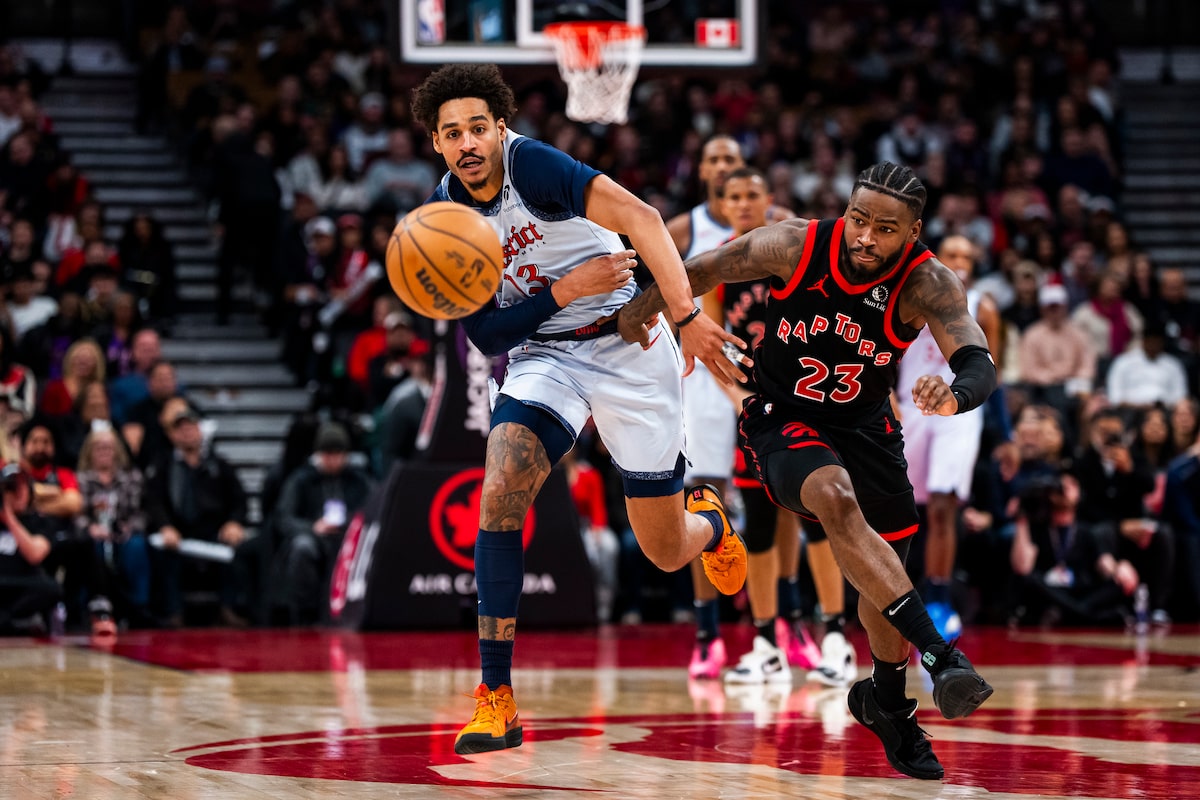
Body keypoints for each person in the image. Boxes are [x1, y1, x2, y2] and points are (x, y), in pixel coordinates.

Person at [410, 64, 747, 756]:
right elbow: (487, 337)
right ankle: (496, 697)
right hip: (545, 353)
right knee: (500, 490)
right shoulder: (444, 221)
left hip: (630, 344)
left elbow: (643, 220)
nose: (468, 143)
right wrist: (563, 293)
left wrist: (686, 317)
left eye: (478, 128)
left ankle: (710, 523)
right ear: (437, 144)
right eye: (453, 133)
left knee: (664, 551)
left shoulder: (534, 167)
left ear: (500, 129)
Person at [619, 162, 996, 780]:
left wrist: (954, 395)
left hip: (867, 427)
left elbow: (977, 360)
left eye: (885, 229)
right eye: (858, 219)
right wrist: (643, 312)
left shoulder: (927, 281)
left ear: (913, 232)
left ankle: (888, 702)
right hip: (780, 414)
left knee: (886, 572)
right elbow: (700, 269)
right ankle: (940, 655)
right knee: (834, 496)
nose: (865, 237)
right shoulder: (794, 245)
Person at [895, 234, 1001, 640]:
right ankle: (896, 598)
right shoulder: (909, 293)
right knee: (900, 507)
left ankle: (939, 602)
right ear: (937, 257)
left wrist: (1005, 434)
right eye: (952, 254)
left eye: (966, 256)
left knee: (943, 506)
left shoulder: (983, 307)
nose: (959, 261)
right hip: (909, 408)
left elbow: (992, 374)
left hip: (959, 411)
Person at [269, 421, 373, 625]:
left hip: (350, 539)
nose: (333, 460)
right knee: (302, 548)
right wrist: (312, 528)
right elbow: (283, 518)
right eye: (327, 454)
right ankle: (306, 616)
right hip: (314, 538)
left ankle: (362, 612)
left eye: (338, 454)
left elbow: (374, 510)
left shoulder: (360, 481)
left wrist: (352, 524)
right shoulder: (301, 480)